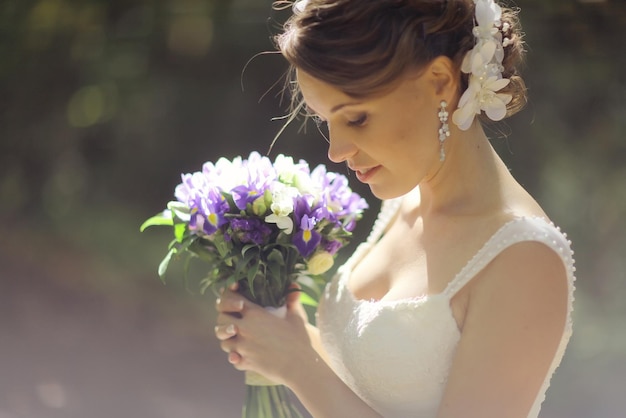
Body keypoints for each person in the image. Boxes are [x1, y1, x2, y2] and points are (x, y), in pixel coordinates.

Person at [214, 0, 576, 417]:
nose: (336, 151)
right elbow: (371, 387)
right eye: (324, 121)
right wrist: (284, 333)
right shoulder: (405, 203)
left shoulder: (523, 259)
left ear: (439, 79)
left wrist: (296, 364)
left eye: (358, 118)